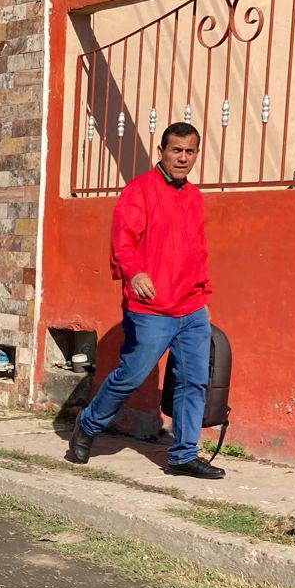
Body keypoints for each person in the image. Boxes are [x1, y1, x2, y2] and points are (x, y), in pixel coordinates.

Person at [67, 122, 225, 480]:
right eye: (176, 150)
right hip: (151, 308)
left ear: (197, 154)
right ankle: (88, 425)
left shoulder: (195, 198)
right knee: (131, 376)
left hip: (191, 307)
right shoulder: (139, 191)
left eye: (190, 151)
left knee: (193, 381)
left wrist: (203, 297)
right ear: (162, 152)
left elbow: (197, 252)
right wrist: (135, 272)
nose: (183, 158)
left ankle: (183, 455)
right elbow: (123, 242)